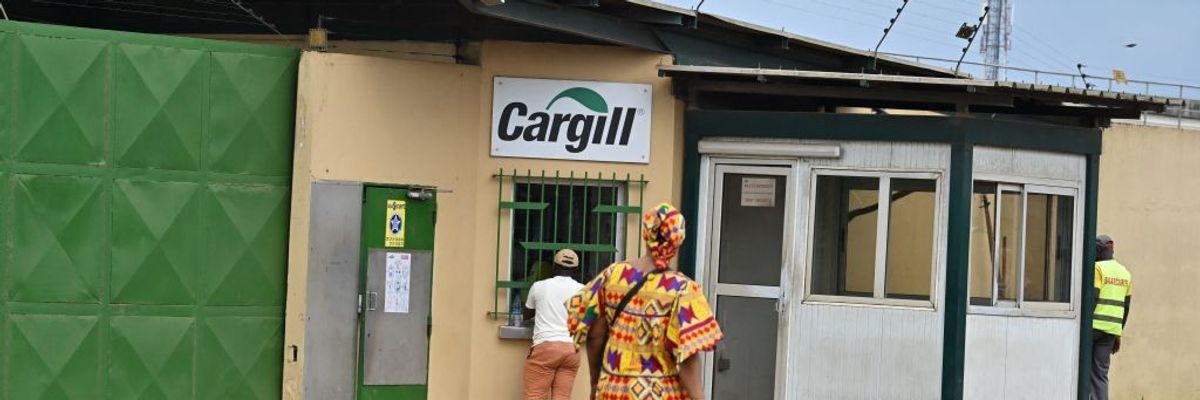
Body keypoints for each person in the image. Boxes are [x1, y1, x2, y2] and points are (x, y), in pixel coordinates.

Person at [567, 203, 723, 400]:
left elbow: (595, 335)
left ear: (646, 234)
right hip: (660, 393)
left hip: (612, 390)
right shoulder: (683, 290)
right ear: (677, 241)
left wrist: (595, 384)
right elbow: (686, 356)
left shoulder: (613, 275)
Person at [523, 249, 586, 400]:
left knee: (535, 396)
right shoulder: (583, 290)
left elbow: (527, 315)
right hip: (572, 350)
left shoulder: (539, 286)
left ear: (554, 267)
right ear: (576, 270)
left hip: (546, 347)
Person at [1091, 234, 1132, 400]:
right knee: (1100, 374)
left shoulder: (1098, 268)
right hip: (1111, 331)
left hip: (1093, 327)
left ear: (1099, 251)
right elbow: (1126, 307)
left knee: (1083, 367)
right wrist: (1118, 334)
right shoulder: (1125, 273)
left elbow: (1093, 297)